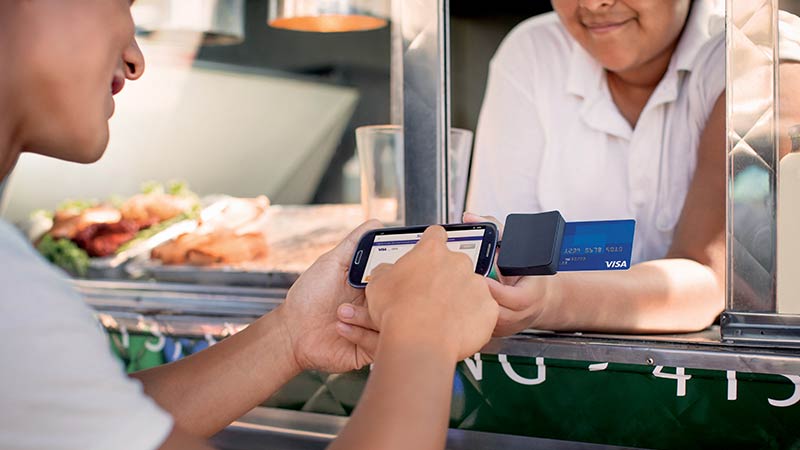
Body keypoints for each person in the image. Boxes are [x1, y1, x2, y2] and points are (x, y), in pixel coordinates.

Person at [0, 2, 499, 449]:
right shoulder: (14, 291)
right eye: (122, 3)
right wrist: (422, 334)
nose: (136, 59)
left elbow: (84, 428)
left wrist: (291, 335)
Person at [463, 0, 728, 334]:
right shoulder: (533, 52)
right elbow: (501, 262)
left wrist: (549, 299)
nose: (592, 3)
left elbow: (710, 281)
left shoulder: (750, 54)